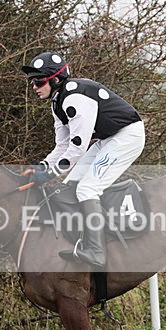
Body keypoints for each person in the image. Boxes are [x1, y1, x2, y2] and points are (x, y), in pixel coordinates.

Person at [21, 51, 145, 269]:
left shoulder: (74, 98)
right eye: (32, 82)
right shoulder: (57, 102)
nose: (34, 87)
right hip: (109, 138)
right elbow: (62, 146)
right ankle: (83, 239)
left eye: (39, 81)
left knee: (87, 189)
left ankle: (97, 251)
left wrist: (49, 174)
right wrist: (41, 166)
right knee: (69, 187)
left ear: (56, 79)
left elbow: (77, 149)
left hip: (127, 136)